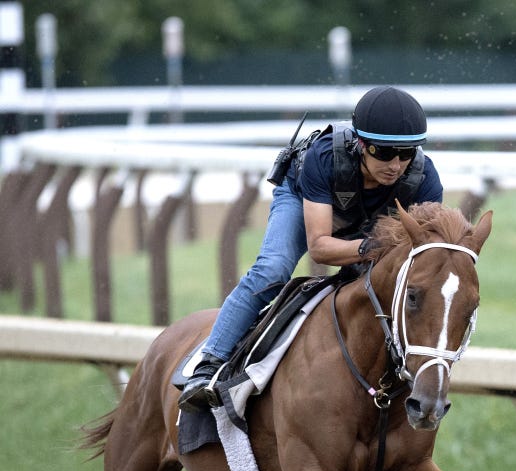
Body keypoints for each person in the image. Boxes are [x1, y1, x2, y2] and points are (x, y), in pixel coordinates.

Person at [178, 85, 444, 412]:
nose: (396, 164)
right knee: (273, 270)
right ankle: (209, 365)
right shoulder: (325, 157)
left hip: (368, 219)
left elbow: (423, 259)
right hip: (304, 198)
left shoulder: (425, 179)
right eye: (384, 152)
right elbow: (320, 248)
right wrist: (376, 246)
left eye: (406, 153)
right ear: (361, 144)